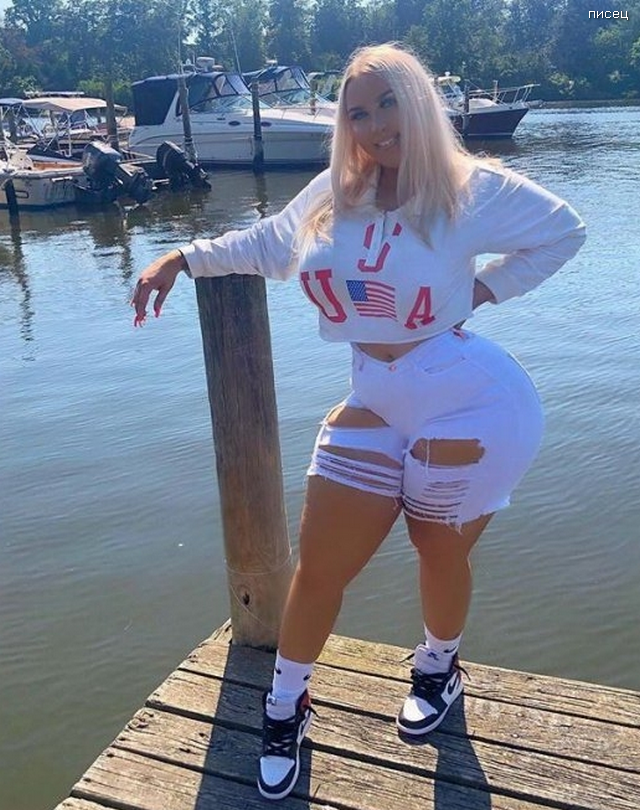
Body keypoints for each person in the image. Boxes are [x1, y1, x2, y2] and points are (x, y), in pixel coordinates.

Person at [131, 42, 585, 801]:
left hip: (470, 400)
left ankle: (438, 667)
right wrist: (183, 256)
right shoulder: (337, 192)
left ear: (419, 101)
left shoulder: (468, 190)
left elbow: (565, 231)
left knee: (436, 548)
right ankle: (285, 705)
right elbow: (269, 245)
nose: (375, 125)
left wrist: (481, 292)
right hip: (375, 397)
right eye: (358, 112)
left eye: (388, 103)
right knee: (319, 567)